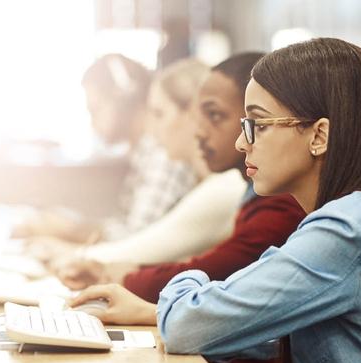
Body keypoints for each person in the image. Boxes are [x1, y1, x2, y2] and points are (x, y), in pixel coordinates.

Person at [69, 38, 361, 363]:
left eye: (257, 124)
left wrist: (188, 290)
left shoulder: (350, 228)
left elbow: (191, 326)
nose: (242, 142)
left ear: (319, 135)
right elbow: (273, 334)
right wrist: (156, 312)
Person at [29, 58, 248, 267]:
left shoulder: (224, 188)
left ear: (192, 115)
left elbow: (142, 252)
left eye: (159, 114)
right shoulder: (216, 184)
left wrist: (66, 253)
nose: (151, 129)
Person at [12, 54, 196, 243]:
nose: (92, 122)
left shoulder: (163, 155)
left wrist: (71, 233)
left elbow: (136, 240)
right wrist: (71, 226)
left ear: (125, 98)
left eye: (95, 110)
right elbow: (127, 226)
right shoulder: (142, 155)